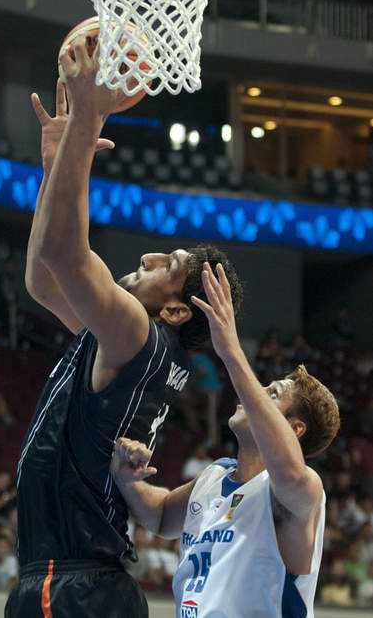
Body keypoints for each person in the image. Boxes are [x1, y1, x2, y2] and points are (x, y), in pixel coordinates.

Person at [5, 41, 243, 618]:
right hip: (79, 580)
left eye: (173, 265)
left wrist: (86, 123)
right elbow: (43, 280)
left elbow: (63, 251)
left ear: (177, 311)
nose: (156, 254)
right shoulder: (135, 341)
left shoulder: (136, 331)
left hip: (75, 581)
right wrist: (55, 165)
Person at [110, 262, 340, 617]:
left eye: (272, 393)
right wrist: (128, 478)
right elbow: (159, 515)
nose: (256, 394)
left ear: (295, 429)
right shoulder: (214, 476)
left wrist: (231, 350)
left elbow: (291, 474)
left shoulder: (301, 490)